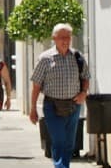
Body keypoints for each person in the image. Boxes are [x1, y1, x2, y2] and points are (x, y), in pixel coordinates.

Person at [29, 23, 90, 168]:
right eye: (62, 37)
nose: (65, 40)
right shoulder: (45, 59)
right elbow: (36, 85)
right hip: (52, 106)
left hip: (73, 106)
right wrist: (32, 108)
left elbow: (86, 77)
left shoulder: (77, 56)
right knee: (59, 140)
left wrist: (83, 93)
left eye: (68, 37)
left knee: (69, 143)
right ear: (54, 38)